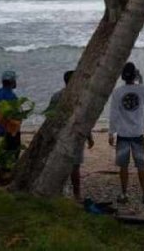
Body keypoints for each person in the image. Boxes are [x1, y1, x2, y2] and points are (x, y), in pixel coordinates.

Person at [108, 62, 144, 204]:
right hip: (137, 133)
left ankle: (124, 194)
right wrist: (141, 81)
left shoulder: (117, 92)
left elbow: (113, 114)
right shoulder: (141, 89)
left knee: (123, 166)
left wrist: (111, 132)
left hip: (123, 133)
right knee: (141, 165)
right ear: (135, 75)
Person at [46, 70, 94, 200]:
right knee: (75, 166)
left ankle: (58, 191)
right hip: (76, 134)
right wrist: (89, 137)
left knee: (59, 164)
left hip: (60, 134)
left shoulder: (57, 96)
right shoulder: (82, 97)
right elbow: (84, 119)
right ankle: (76, 194)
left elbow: (49, 117)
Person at [0, 70, 22, 186]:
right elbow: (18, 116)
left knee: (1, 157)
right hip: (12, 133)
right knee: (12, 157)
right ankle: (8, 182)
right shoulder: (13, 98)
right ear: (12, 82)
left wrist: (0, 122)